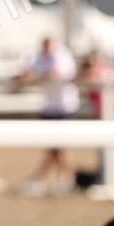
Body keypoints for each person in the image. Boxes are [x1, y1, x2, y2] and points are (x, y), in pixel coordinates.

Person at [14, 36, 79, 196]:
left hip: (64, 106)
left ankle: (46, 178)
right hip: (49, 106)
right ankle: (64, 178)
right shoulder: (40, 56)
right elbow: (28, 72)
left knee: (57, 146)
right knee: (55, 147)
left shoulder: (63, 55)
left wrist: (37, 76)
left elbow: (57, 73)